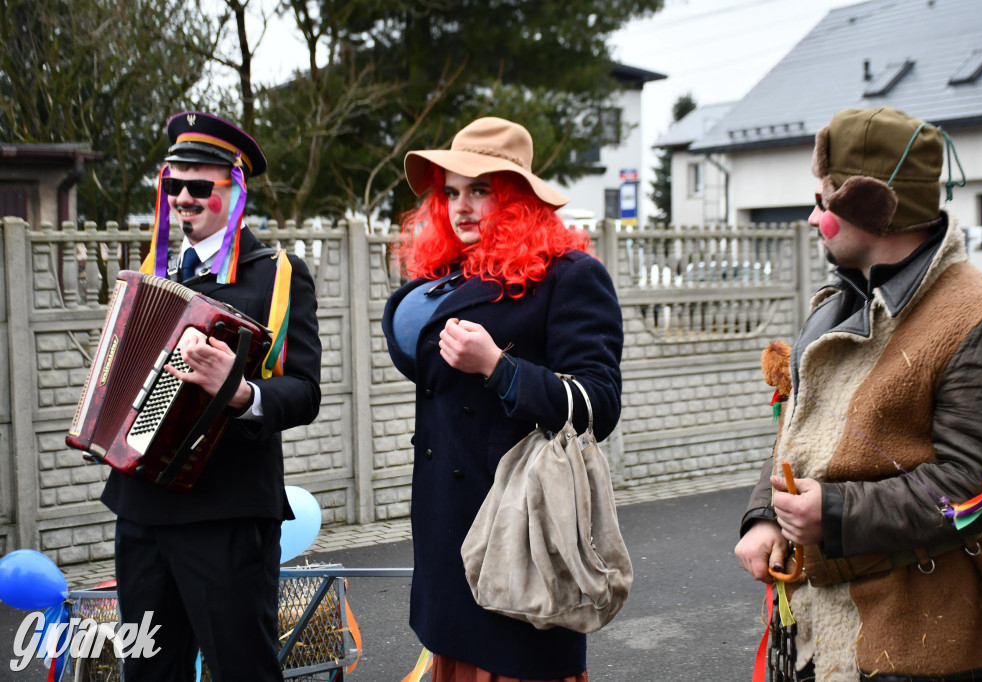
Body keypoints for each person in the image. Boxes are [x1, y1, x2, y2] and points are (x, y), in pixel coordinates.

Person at [734, 106, 982, 681]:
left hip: (922, 639)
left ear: (868, 207)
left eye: (823, 202)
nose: (814, 219)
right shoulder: (834, 302)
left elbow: (978, 489)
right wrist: (764, 516)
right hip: (817, 625)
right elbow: (798, 432)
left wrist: (834, 514)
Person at [381, 117, 623, 682]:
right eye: (452, 192)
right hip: (449, 533)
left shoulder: (571, 277)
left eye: (481, 190)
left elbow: (599, 404)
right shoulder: (445, 277)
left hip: (521, 534)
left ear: (516, 198)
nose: (462, 206)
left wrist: (499, 367)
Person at [101, 111, 322, 681]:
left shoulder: (275, 273)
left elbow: (304, 393)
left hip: (227, 513)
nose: (183, 198)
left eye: (201, 186)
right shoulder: (155, 270)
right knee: (149, 671)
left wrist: (241, 390)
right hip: (141, 511)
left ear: (236, 190)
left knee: (240, 671)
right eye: (173, 184)